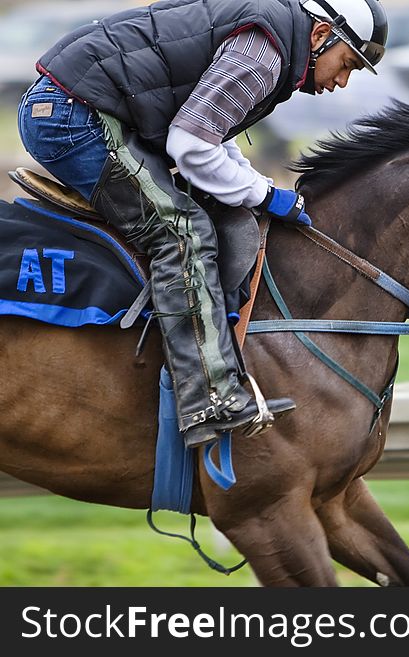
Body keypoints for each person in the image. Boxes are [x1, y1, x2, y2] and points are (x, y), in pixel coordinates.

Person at [17, 0, 389, 448]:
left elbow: (212, 136)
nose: (342, 81)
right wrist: (268, 195)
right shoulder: (263, 54)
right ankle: (209, 398)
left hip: (87, 110)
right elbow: (191, 145)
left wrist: (260, 188)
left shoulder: (272, 42)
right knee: (182, 234)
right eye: (346, 63)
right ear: (320, 35)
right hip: (74, 119)